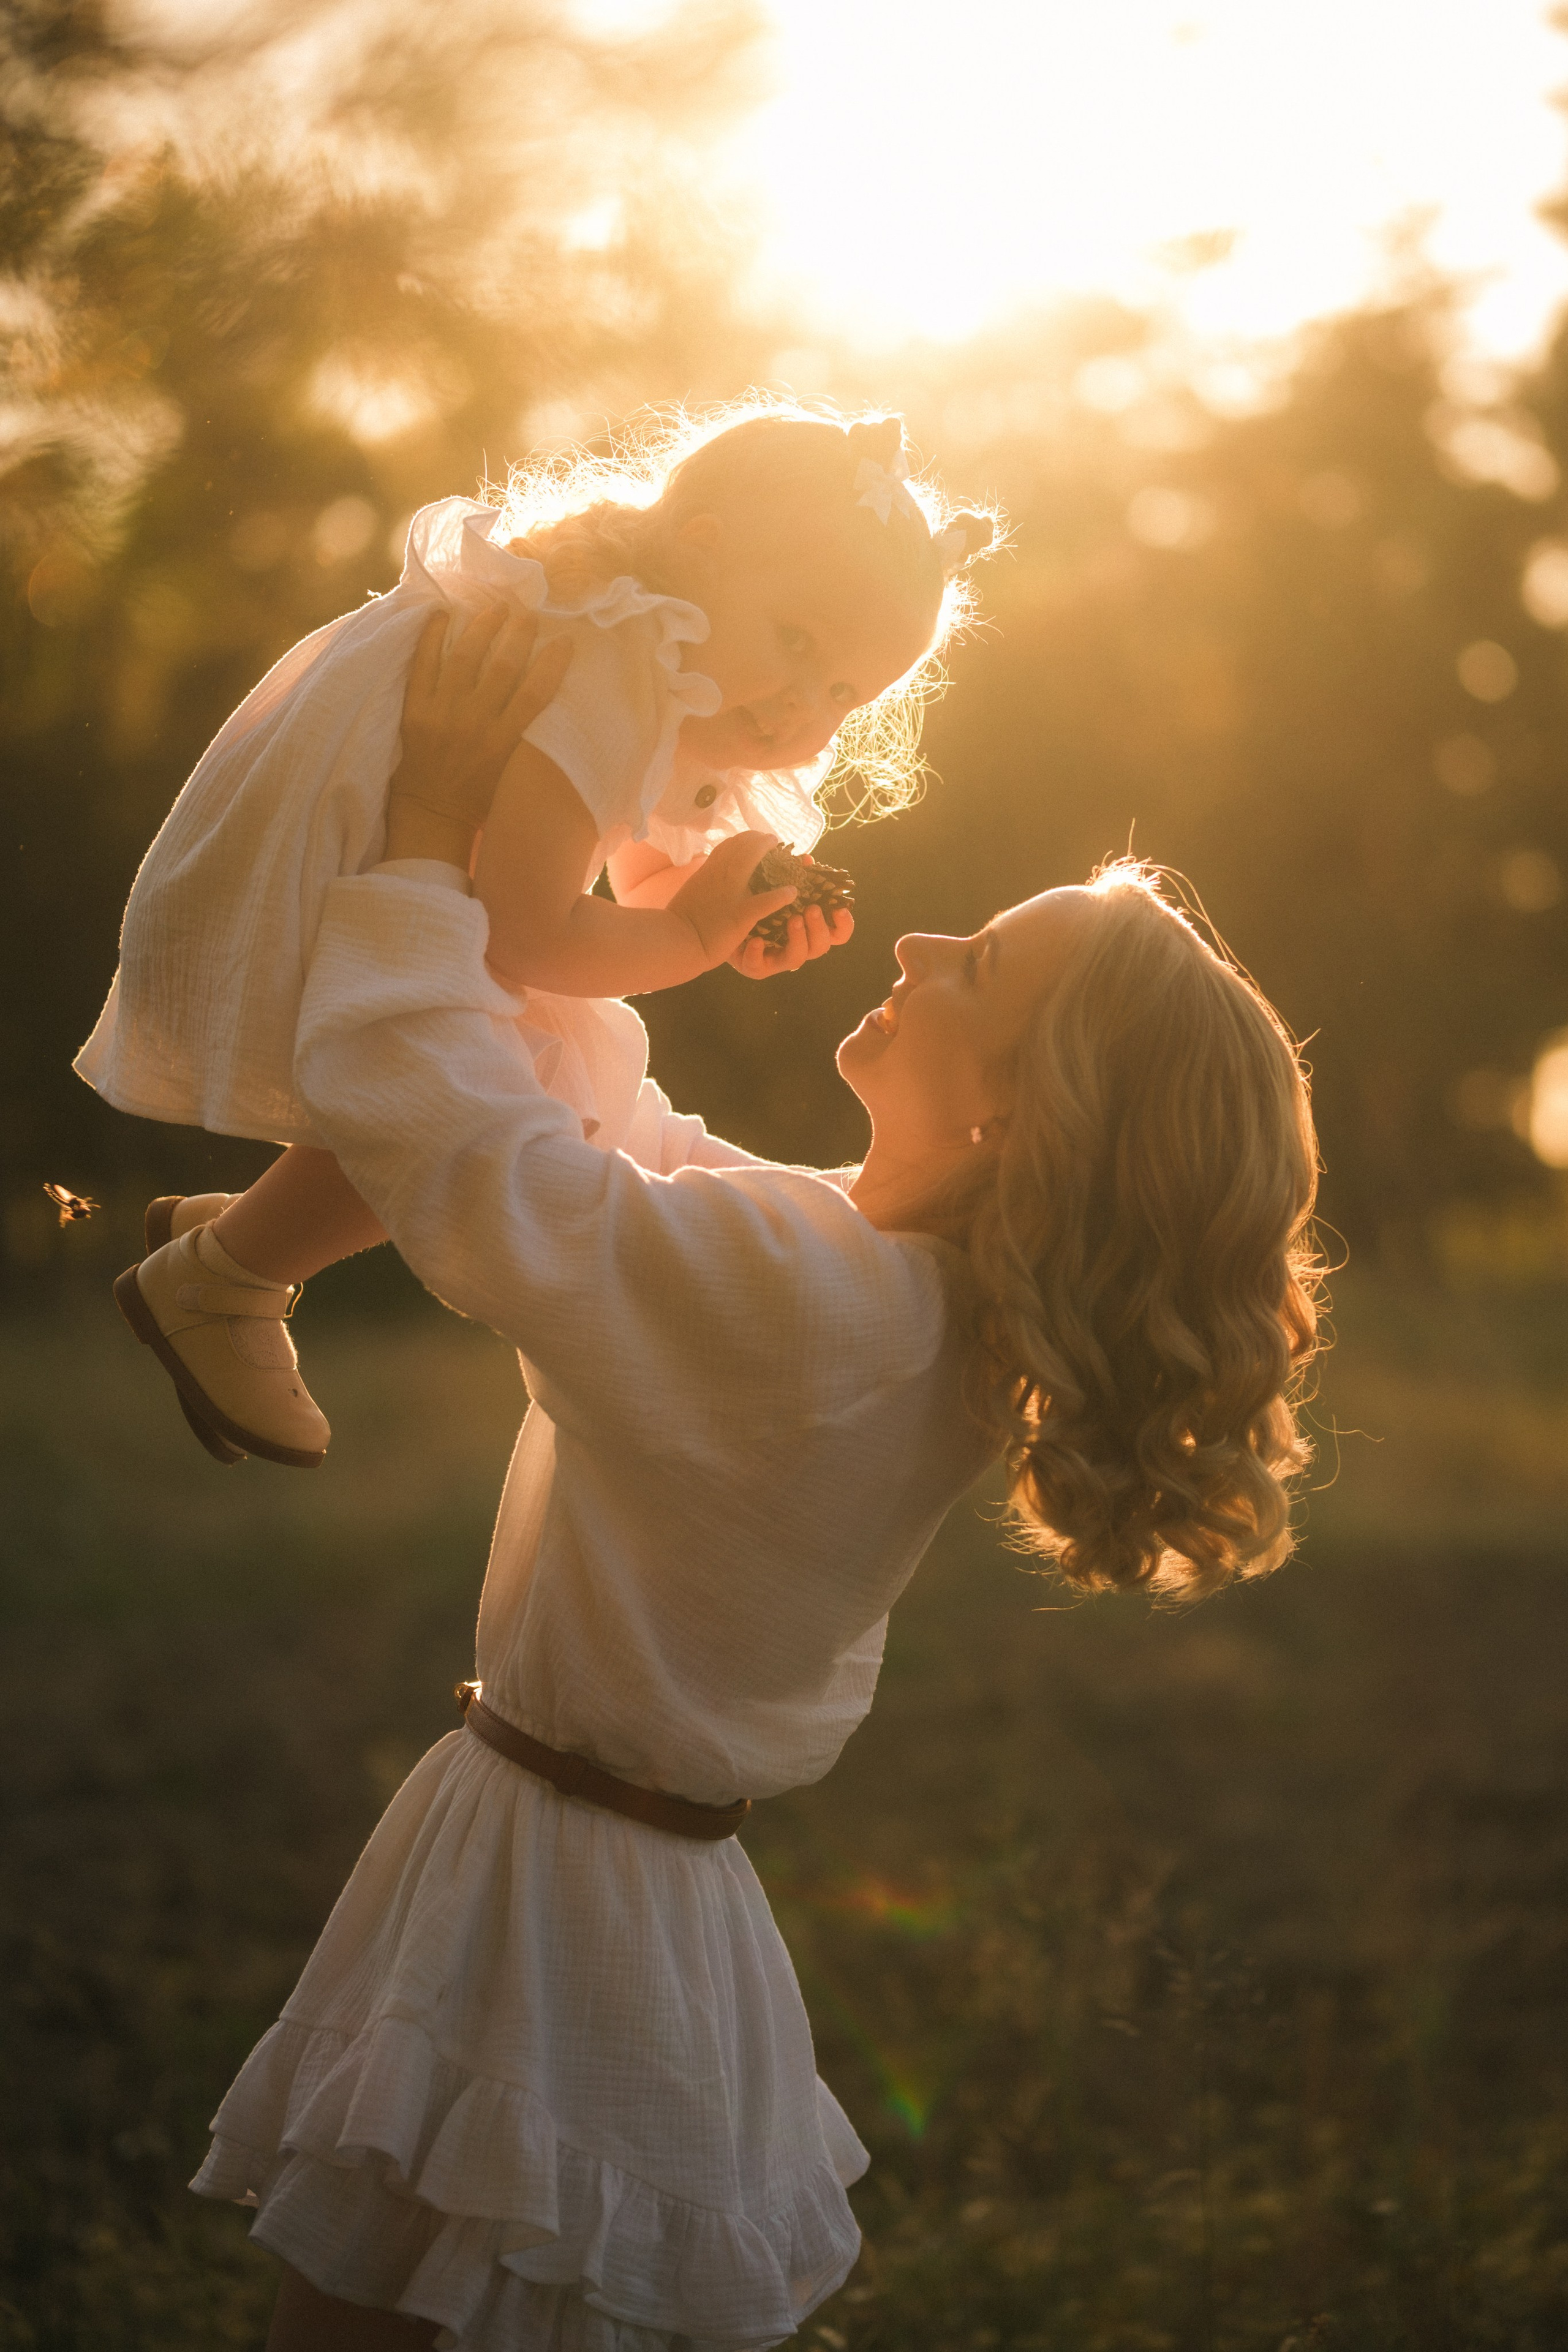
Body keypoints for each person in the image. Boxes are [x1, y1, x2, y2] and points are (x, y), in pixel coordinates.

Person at [187, 631, 1323, 2351]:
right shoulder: (866, 1279)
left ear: (1023, 1112)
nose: (927, 937)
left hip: (569, 1914)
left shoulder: (823, 1308)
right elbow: (604, 1113)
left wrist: (428, 829)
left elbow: (484, 1156)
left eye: (983, 965)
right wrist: (658, 920)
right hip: (592, 1874)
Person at [77, 401, 994, 1469]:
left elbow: (628, 890)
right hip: (339, 869)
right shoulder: (612, 663)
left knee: (508, 1062)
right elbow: (530, 934)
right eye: (797, 643)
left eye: (844, 691)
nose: (803, 705)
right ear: (702, 551)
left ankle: (244, 1230)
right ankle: (221, 1277)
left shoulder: (673, 667)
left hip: (407, 880)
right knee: (505, 1070)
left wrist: (721, 905)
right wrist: (694, 935)